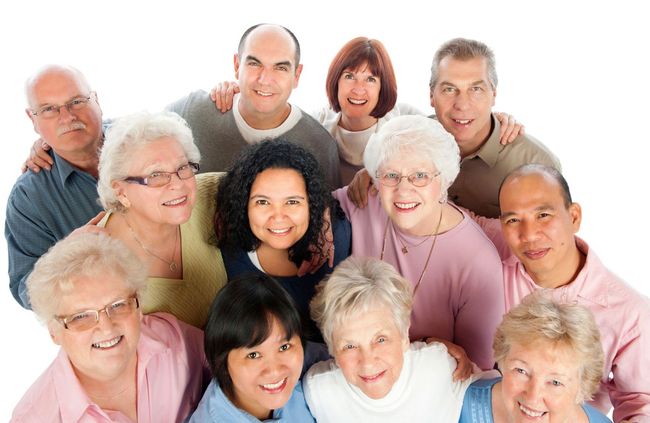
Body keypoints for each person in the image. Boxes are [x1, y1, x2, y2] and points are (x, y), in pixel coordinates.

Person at [212, 36, 523, 186]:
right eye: (349, 77)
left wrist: (499, 120)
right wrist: (237, 89)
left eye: (370, 79)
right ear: (336, 82)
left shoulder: (405, 121)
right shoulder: (318, 127)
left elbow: (454, 121)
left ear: (382, 84)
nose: (358, 89)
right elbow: (274, 110)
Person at [333, 115, 504, 370]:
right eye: (391, 175)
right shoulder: (364, 199)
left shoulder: (477, 261)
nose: (403, 190)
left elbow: (477, 370)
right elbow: (303, 214)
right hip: (349, 369)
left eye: (420, 176)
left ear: (444, 179)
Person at [496, 164, 650, 421]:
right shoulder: (488, 255)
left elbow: (641, 404)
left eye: (543, 215)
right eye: (513, 220)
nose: (530, 235)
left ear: (574, 217)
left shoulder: (632, 315)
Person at [12, 232, 209, 422]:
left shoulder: (173, 339)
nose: (106, 327)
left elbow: (231, 365)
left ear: (138, 307)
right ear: (54, 332)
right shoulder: (35, 417)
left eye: (118, 305)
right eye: (81, 316)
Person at [167, 23, 342, 188]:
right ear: (237, 65)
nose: (265, 79)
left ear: (296, 75)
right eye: (254, 64)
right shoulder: (192, 112)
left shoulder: (320, 146)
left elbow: (329, 217)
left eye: (280, 68)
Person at [304, 256, 477, 421]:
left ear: (403, 335)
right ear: (332, 347)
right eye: (349, 346)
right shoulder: (318, 390)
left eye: (380, 340)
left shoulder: (438, 366)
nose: (368, 363)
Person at [96, 111, 227, 328]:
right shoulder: (99, 265)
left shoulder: (207, 195)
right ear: (121, 192)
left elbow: (280, 189)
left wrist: (303, 241)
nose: (177, 184)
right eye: (155, 175)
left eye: (182, 167)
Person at [215, 139, 351, 341]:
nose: (278, 216)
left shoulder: (337, 237)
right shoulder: (229, 247)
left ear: (312, 203)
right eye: (262, 202)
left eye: (292, 202)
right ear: (243, 204)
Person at [5, 64, 105, 308]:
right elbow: (26, 291)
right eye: (49, 109)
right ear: (33, 119)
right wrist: (65, 256)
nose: (68, 117)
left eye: (77, 101)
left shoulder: (140, 140)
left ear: (96, 100)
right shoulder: (28, 199)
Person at [429, 38, 560, 217]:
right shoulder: (409, 141)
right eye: (449, 89)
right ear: (431, 96)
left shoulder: (535, 162)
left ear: (494, 95)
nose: (462, 105)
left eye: (476, 89)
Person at [459, 292, 611, 422]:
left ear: (581, 389)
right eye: (521, 371)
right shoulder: (456, 405)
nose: (533, 397)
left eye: (555, 382)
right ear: (503, 362)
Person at [190, 273, 320, 422]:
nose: (275, 371)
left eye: (284, 347)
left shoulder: (311, 363)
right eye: (253, 355)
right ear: (222, 361)